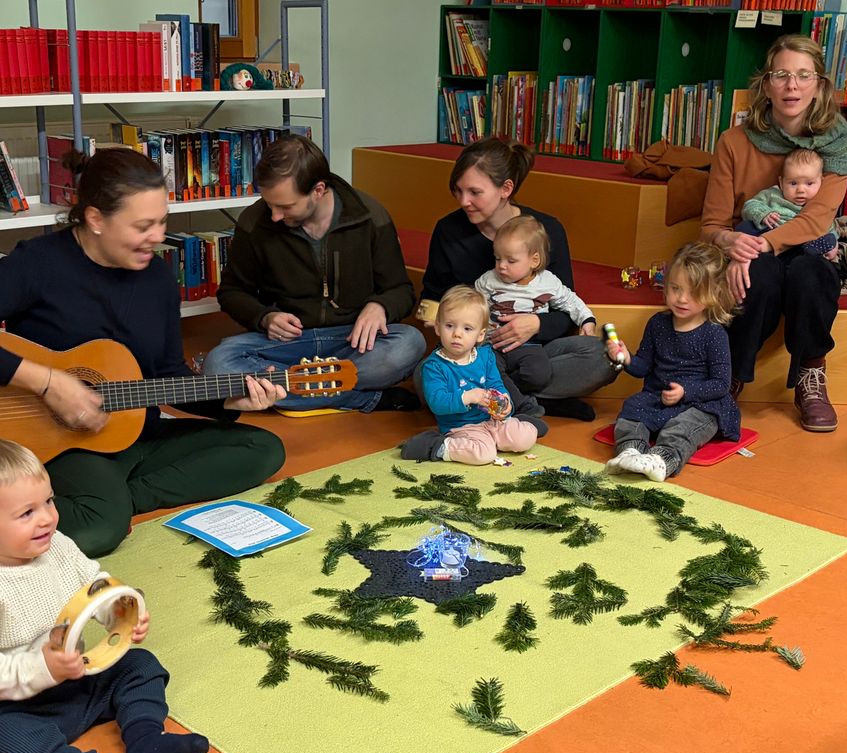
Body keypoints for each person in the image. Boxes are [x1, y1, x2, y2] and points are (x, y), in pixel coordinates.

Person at [0, 148, 286, 559]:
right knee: (100, 531)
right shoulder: (38, 264)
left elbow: (167, 373)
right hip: (63, 445)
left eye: (162, 221)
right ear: (96, 219)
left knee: (262, 450)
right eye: (143, 225)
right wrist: (48, 383)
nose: (158, 236)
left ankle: (117, 497)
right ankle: (100, 504)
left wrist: (229, 399)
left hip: (138, 432)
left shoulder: (156, 278)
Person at [0, 440, 209, 753]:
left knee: (140, 664)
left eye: (49, 501)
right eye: (26, 513)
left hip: (79, 679)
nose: (47, 519)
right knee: (7, 741)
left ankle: (146, 739)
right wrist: (43, 667)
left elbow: (93, 586)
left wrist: (122, 612)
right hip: (16, 708)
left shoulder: (56, 545)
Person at [202, 135, 426, 413]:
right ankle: (359, 398)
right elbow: (232, 292)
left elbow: (401, 291)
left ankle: (285, 391)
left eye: (285, 206)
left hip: (350, 340)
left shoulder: (370, 216)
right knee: (218, 363)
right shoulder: (254, 222)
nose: (273, 215)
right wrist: (264, 317)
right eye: (269, 203)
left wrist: (380, 306)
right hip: (286, 343)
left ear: (318, 190)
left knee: (410, 343)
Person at [700, 34, 847, 432]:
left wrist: (763, 243)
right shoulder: (734, 141)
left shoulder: (839, 146)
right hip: (749, 247)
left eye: (804, 75)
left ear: (819, 85)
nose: (792, 86)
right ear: (766, 84)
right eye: (782, 75)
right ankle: (728, 377)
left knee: (813, 274)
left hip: (803, 250)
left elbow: (817, 220)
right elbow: (712, 225)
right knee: (759, 275)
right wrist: (733, 244)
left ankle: (810, 375)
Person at [421, 136, 617, 421]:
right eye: (458, 191)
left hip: (535, 350)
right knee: (424, 376)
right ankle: (535, 400)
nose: (464, 201)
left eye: (475, 192)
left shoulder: (546, 230)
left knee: (604, 357)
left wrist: (536, 324)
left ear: (506, 189)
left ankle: (511, 398)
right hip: (475, 352)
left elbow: (564, 305)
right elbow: (432, 294)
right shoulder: (448, 230)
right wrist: (437, 316)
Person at [603, 242, 740, 483]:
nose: (681, 298)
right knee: (632, 411)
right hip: (658, 397)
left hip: (701, 404)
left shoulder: (714, 334)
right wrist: (626, 358)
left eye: (693, 292)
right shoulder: (658, 323)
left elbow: (720, 384)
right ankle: (630, 452)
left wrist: (686, 392)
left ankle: (662, 459)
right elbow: (644, 366)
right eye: (675, 288)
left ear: (713, 294)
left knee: (683, 427)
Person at [400, 287, 543, 465]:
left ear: (480, 334)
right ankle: (437, 446)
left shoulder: (485, 356)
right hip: (462, 426)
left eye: (467, 328)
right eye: (449, 326)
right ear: (438, 327)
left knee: (525, 439)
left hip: (491, 420)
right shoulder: (434, 366)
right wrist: (469, 396)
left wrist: (505, 402)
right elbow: (437, 402)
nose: (457, 334)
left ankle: (518, 424)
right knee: (483, 454)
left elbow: (496, 384)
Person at [474, 215, 596, 395]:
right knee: (484, 371)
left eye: (511, 260)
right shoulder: (489, 280)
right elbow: (473, 305)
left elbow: (570, 300)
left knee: (539, 373)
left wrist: (587, 320)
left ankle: (512, 394)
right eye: (498, 259)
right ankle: (516, 401)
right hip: (493, 345)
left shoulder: (547, 282)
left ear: (534, 260)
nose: (501, 266)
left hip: (529, 347)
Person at [738, 148, 839, 258]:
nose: (801, 190)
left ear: (821, 182)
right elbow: (750, 205)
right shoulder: (772, 194)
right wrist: (763, 214)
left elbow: (827, 226)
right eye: (793, 183)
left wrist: (834, 245)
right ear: (781, 183)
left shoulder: (818, 205)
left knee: (826, 239)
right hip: (768, 234)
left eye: (809, 183)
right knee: (745, 227)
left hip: (798, 244)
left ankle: (810, 251)